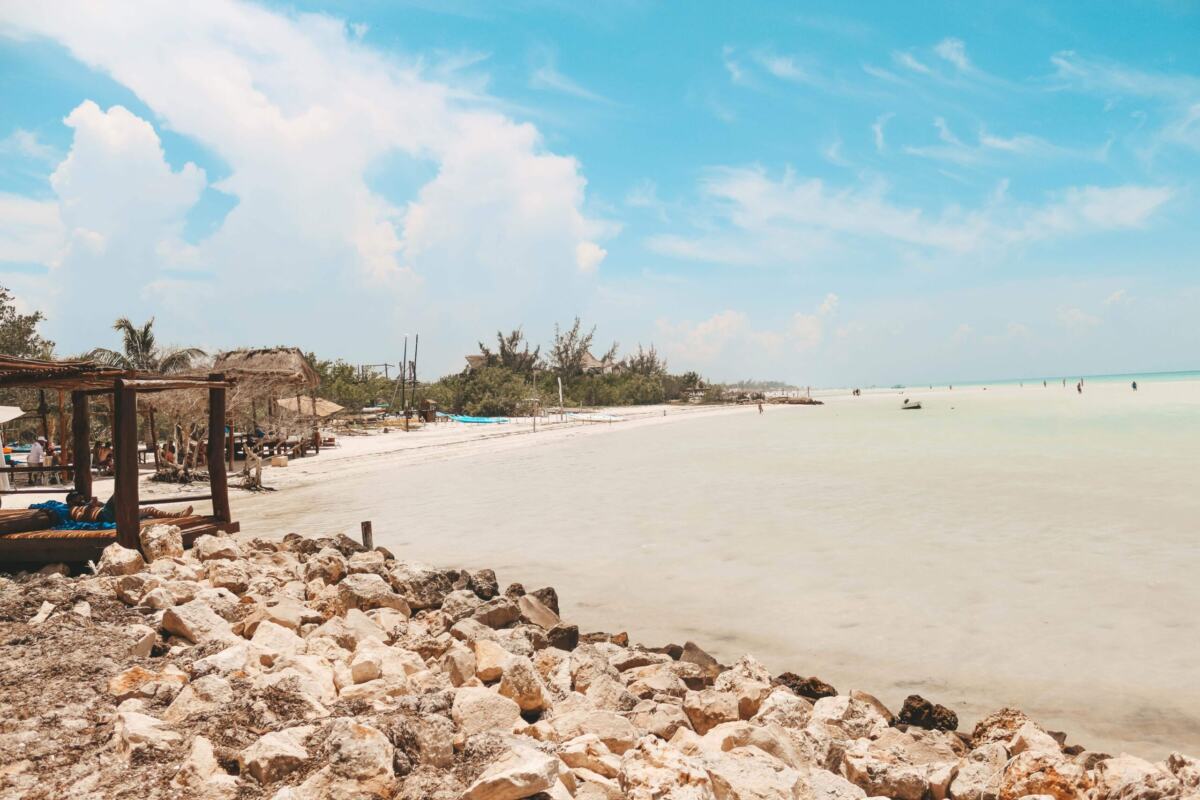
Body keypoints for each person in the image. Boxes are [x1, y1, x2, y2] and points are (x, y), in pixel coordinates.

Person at [65, 491, 193, 523]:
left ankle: (176, 515)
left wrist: (97, 504)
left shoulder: (84, 504)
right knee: (118, 493)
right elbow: (83, 518)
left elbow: (104, 506)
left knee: (150, 510)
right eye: (77, 498)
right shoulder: (72, 510)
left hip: (110, 512)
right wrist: (90, 507)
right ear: (71, 502)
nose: (81, 498)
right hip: (104, 516)